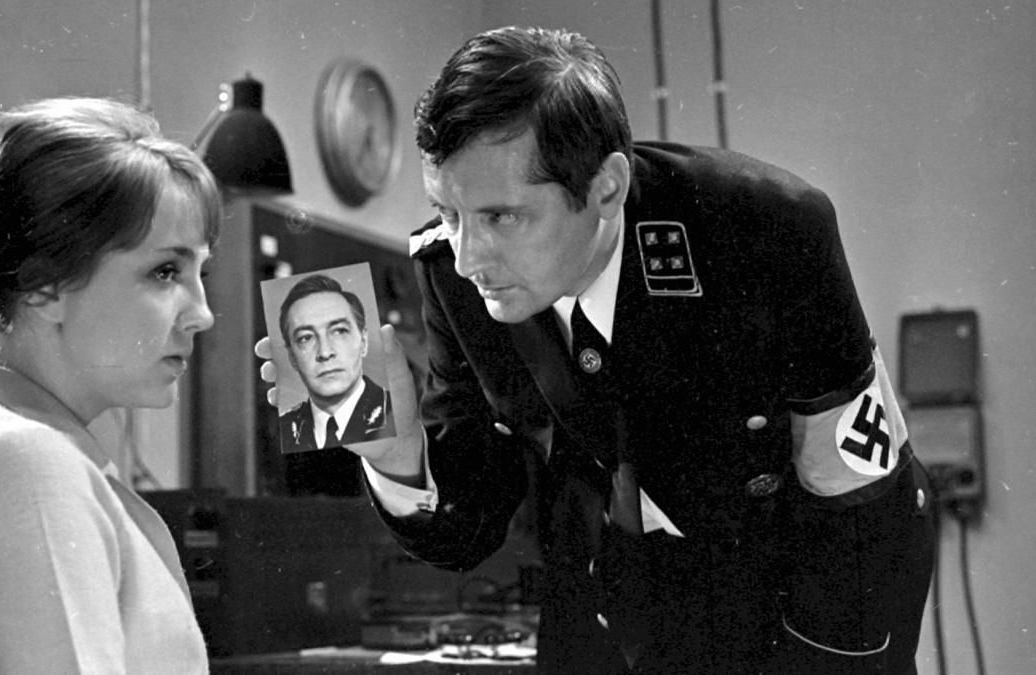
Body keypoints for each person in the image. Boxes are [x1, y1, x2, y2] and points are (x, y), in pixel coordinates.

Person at [257, 25, 936, 674]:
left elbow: (858, 500)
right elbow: (470, 530)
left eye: (500, 216)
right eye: (447, 213)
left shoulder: (765, 229)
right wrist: (397, 456)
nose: (467, 256)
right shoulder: (454, 278)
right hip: (612, 599)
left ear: (606, 188)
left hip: (799, 596)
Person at [0, 98, 220, 673]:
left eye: (200, 272)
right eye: (165, 272)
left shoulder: (22, 448)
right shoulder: (21, 461)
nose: (202, 314)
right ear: (43, 286)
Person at [275, 274, 395, 495]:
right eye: (306, 338)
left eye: (339, 331)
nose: (325, 352)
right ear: (292, 357)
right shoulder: (287, 428)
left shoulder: (393, 415)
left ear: (364, 342)